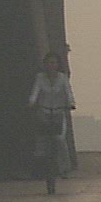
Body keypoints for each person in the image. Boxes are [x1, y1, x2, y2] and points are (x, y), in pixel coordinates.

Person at [27, 52, 74, 193]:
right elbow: (35, 92)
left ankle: (64, 168)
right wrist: (31, 102)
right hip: (43, 112)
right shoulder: (40, 77)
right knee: (41, 141)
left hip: (58, 112)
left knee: (59, 140)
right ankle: (41, 169)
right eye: (49, 63)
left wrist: (71, 103)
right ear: (45, 65)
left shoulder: (62, 78)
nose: (51, 65)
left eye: (54, 63)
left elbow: (68, 92)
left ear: (58, 65)